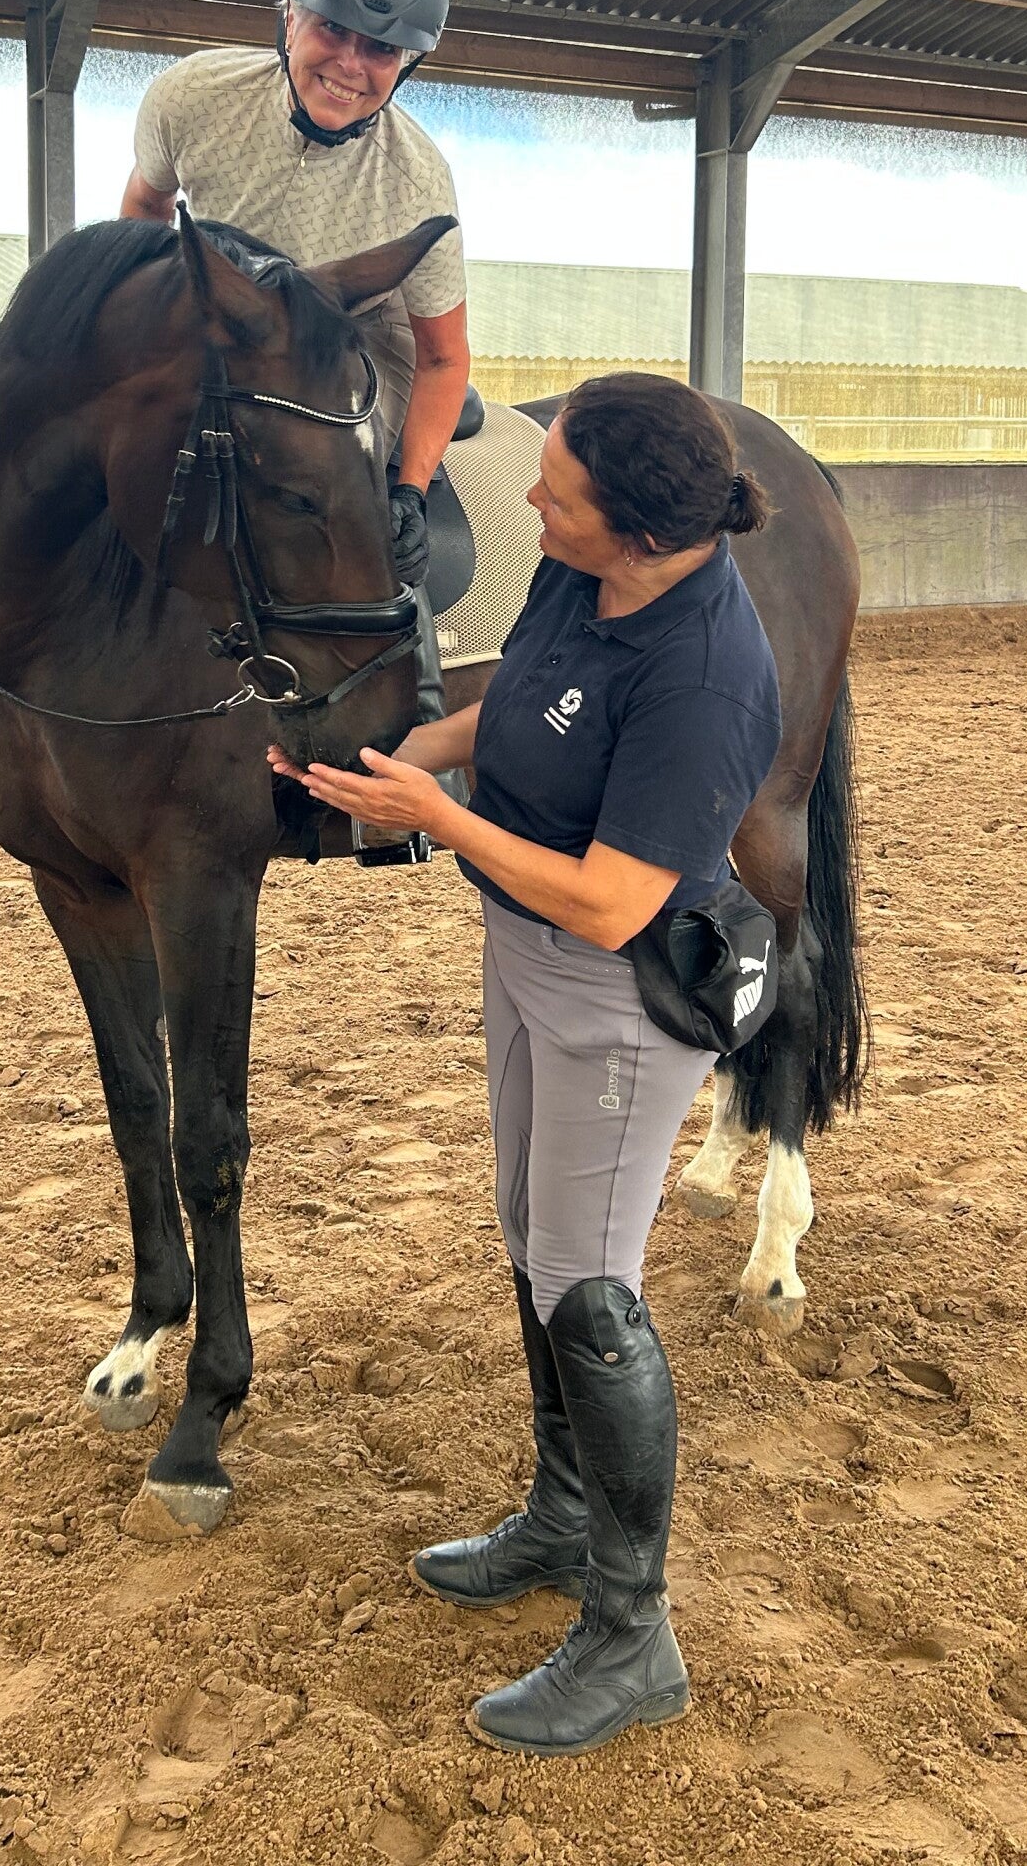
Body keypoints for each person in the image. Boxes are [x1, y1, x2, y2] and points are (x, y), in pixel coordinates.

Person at [271, 374, 779, 1757]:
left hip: (617, 994)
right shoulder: (577, 577)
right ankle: (564, 1519)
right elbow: (505, 719)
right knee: (529, 1241)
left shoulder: (708, 674)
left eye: (558, 495)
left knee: (592, 1291)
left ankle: (634, 1634)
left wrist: (435, 816)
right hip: (521, 957)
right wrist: (373, 769)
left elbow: (617, 901)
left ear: (636, 531)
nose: (533, 504)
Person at [119, 0, 469, 629]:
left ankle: (412, 673)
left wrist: (406, 491)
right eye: (333, 28)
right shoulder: (189, 98)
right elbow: (145, 215)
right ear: (287, 15)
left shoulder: (420, 181)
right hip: (225, 310)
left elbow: (442, 358)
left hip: (356, 333)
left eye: (380, 48)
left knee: (337, 483)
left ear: (405, 65)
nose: (350, 64)